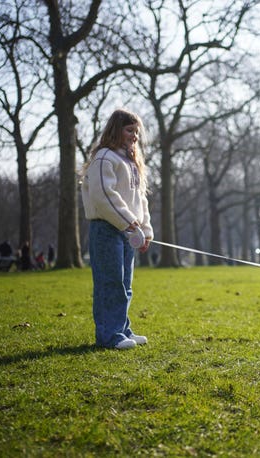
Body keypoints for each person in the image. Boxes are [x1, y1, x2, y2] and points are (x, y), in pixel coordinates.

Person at [81, 108, 154, 350]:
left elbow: (139, 198)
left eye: (137, 131)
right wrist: (131, 224)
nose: (134, 136)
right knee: (110, 283)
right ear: (116, 130)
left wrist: (145, 228)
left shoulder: (132, 162)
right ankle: (109, 336)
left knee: (125, 285)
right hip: (106, 229)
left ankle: (122, 330)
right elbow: (104, 196)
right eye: (129, 130)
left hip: (128, 232)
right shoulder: (104, 158)